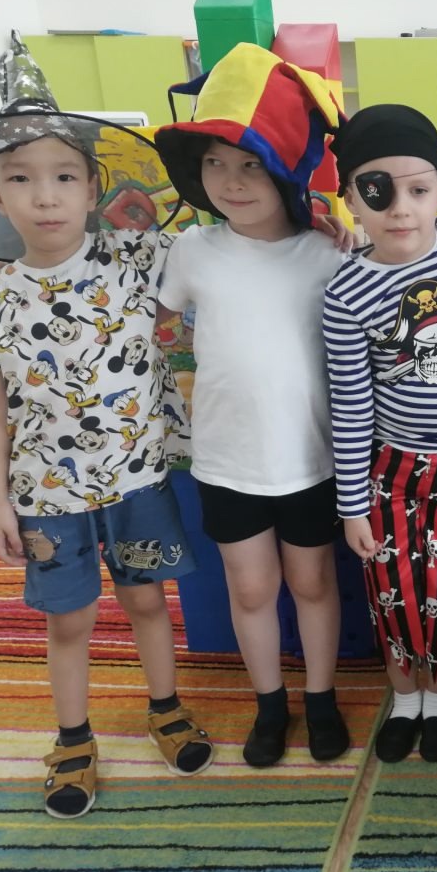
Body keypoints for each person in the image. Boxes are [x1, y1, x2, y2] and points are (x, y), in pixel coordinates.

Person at [0, 34, 212, 818]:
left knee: (147, 602)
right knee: (70, 620)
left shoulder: (136, 257)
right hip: (47, 494)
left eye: (64, 176)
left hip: (138, 482)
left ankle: (166, 707)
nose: (45, 196)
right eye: (21, 178)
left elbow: (222, 244)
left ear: (93, 186)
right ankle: (72, 737)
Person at [152, 43, 354, 767]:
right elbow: (144, 317)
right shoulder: (192, 251)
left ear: (285, 169)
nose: (231, 182)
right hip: (227, 461)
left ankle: (321, 699)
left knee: (313, 582)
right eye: (215, 163)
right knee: (251, 588)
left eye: (250, 164)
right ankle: (271, 705)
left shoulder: (328, 255)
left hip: (309, 459)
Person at [323, 104, 437, 763]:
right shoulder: (346, 292)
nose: (401, 209)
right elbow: (350, 401)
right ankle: (404, 698)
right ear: (350, 200)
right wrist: (352, 505)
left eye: (418, 190)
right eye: (377, 192)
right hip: (390, 465)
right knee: (391, 584)